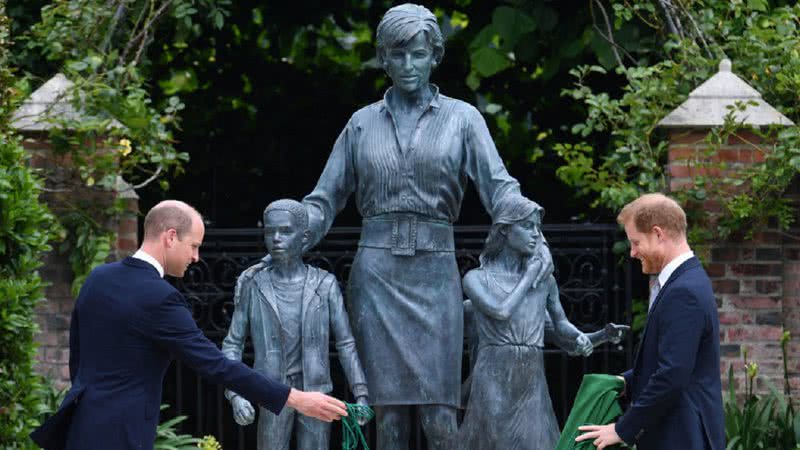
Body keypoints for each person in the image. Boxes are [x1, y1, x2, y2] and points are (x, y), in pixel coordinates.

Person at [300, 4, 552, 449]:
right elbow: (324, 200)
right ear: (382, 57)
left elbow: (500, 189)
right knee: (389, 419)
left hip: (436, 276)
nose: (407, 65)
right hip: (376, 277)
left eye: (417, 54)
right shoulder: (361, 124)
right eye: (396, 55)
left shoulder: (463, 119)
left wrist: (531, 226)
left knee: (440, 415)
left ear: (435, 55)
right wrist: (292, 229)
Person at [30, 200, 347, 450]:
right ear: (170, 237)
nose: (196, 257)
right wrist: (295, 398)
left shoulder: (98, 279)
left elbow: (79, 358)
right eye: (193, 246)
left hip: (79, 427)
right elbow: (217, 365)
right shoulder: (161, 298)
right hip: (123, 434)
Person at [575, 193, 725, 450]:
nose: (632, 253)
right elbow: (672, 362)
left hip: (682, 437)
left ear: (658, 234)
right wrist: (626, 382)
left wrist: (623, 429)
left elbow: (672, 375)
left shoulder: (683, 291)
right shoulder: (685, 280)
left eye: (635, 242)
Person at [221, 199, 369, 450]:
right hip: (271, 392)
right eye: (270, 231)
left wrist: (361, 394)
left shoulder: (325, 285)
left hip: (316, 392)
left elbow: (345, 343)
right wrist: (235, 394)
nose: (276, 238)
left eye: (286, 231)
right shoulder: (253, 285)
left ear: (305, 237)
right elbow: (232, 345)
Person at [456, 196, 593, 449]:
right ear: (505, 230)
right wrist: (530, 275)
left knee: (537, 440)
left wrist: (581, 337)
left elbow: (560, 324)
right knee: (492, 440)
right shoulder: (476, 278)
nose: (535, 234)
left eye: (538, 228)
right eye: (528, 226)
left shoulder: (545, 282)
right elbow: (500, 311)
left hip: (530, 374)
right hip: (493, 372)